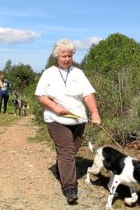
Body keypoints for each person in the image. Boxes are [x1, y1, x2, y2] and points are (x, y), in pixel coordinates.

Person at [35, 39, 101, 204]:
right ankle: (70, 187)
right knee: (67, 151)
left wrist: (94, 112)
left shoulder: (78, 73)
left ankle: (61, 168)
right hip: (56, 119)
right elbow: (41, 96)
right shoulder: (48, 73)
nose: (66, 59)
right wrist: (55, 107)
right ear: (57, 56)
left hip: (78, 120)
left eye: (69, 56)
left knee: (72, 151)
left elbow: (87, 94)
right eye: (63, 56)